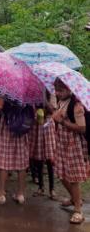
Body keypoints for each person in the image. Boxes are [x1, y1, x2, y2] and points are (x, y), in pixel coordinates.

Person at [52, 79, 88, 224]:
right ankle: (74, 198)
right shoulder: (61, 102)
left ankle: (78, 211)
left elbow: (82, 128)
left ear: (69, 89)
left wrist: (62, 122)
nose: (57, 92)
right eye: (56, 89)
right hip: (62, 143)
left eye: (60, 90)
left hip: (73, 145)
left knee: (73, 178)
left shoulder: (76, 105)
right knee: (61, 174)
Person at [0, 98, 30, 205]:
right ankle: (20, 194)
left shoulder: (6, 91)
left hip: (7, 128)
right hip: (21, 128)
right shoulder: (26, 94)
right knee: (21, 163)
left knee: (3, 160)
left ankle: (0, 193)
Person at [29, 92, 57, 199]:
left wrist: (44, 99)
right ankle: (41, 187)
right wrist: (35, 111)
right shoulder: (33, 90)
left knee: (50, 158)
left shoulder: (51, 91)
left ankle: (52, 189)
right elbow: (31, 108)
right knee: (38, 158)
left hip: (48, 125)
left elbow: (53, 110)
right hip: (36, 126)